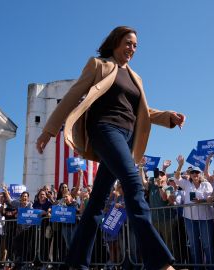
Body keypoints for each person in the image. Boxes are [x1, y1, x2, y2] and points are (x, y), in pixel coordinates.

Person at [36, 26, 185, 270]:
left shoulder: (136, 78)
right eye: (128, 43)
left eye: (135, 45)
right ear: (116, 42)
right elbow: (74, 95)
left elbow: (140, 111)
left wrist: (168, 117)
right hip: (105, 130)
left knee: (96, 202)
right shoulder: (99, 65)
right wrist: (49, 130)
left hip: (127, 137)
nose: (132, 49)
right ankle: (159, 262)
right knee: (133, 184)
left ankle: (74, 264)